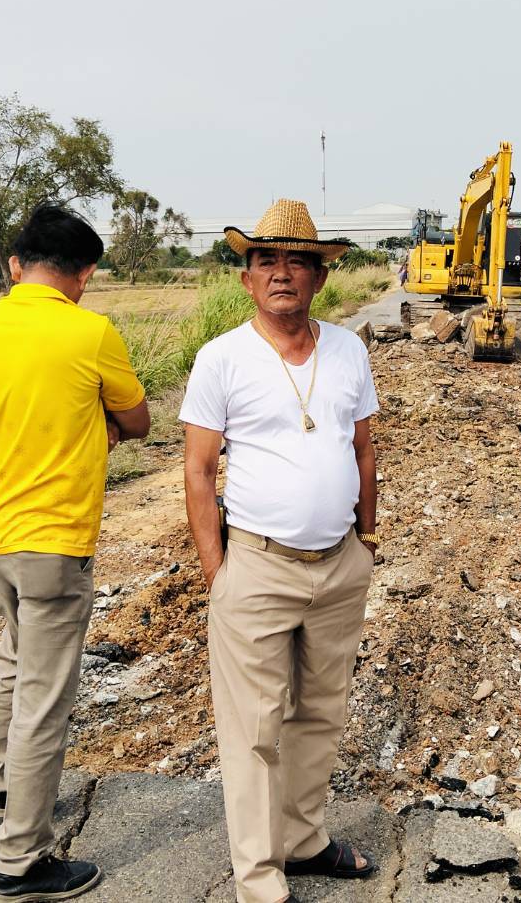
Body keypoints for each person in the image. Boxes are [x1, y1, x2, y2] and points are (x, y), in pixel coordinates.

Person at [181, 199, 380, 903]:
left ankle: (304, 840)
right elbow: (199, 470)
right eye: (266, 260)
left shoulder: (349, 350)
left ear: (321, 278)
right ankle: (259, 877)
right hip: (256, 566)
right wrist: (218, 572)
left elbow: (362, 447)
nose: (282, 273)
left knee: (320, 712)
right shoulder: (222, 358)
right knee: (255, 730)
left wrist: (366, 538)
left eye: (299, 261)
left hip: (339, 564)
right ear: (247, 279)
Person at [0, 204, 149, 902]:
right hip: (53, 539)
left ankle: (2, 787)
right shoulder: (89, 331)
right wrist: (98, 422)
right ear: (86, 273)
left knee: (15, 657)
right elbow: (137, 419)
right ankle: (20, 859)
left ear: (16, 265)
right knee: (45, 697)